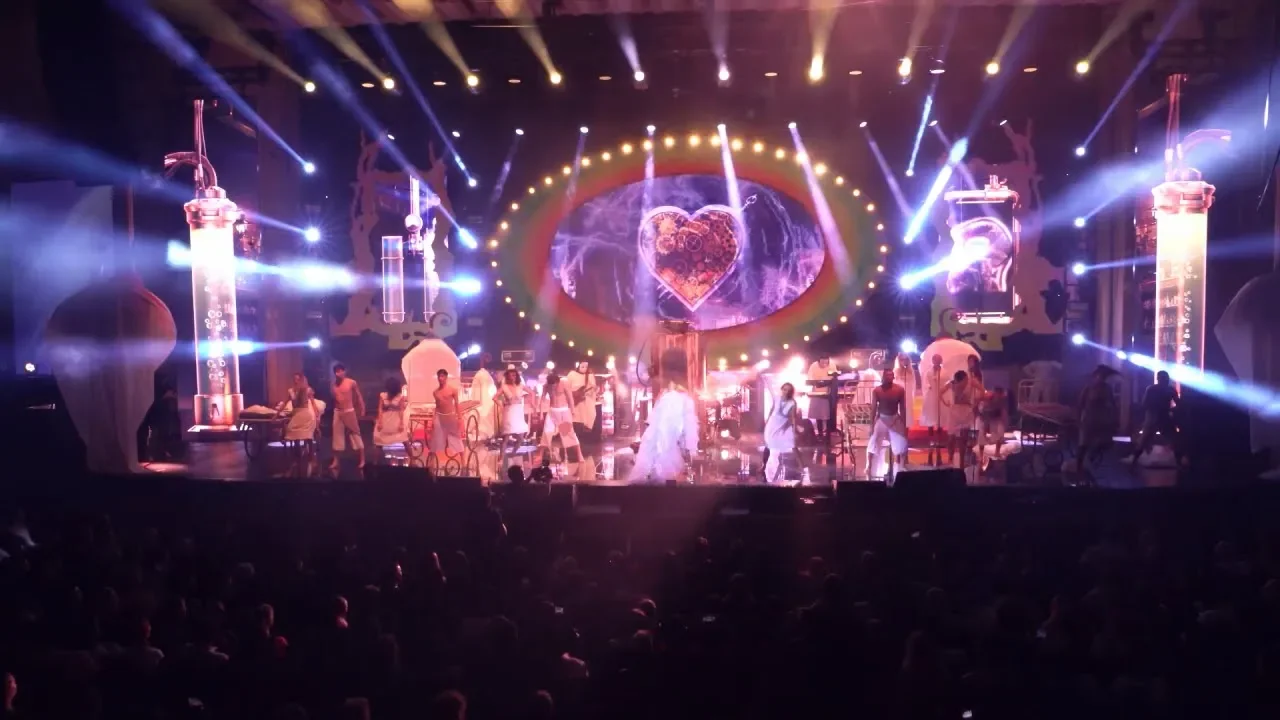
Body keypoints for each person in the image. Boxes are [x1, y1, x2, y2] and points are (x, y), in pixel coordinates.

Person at [629, 349, 701, 483]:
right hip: (665, 471)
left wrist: (660, 473)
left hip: (663, 473)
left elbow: (663, 441)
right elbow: (687, 438)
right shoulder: (679, 397)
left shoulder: (671, 398)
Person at [866, 368, 909, 480]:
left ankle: (902, 465)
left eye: (891, 375)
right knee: (873, 440)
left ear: (893, 377)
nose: (889, 377)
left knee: (902, 441)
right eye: (887, 375)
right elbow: (873, 409)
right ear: (883, 377)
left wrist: (904, 425)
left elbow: (903, 408)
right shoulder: (877, 390)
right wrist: (871, 426)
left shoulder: (900, 390)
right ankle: (869, 465)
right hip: (882, 418)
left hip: (894, 419)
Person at [1132, 370, 1182, 466]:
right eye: (1164, 379)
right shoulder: (1158, 389)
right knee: (1145, 439)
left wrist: (1170, 409)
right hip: (1156, 416)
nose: (1165, 380)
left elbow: (1144, 404)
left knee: (1145, 440)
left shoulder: (1155, 389)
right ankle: (1179, 464)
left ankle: (1134, 462)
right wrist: (1170, 409)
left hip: (1158, 416)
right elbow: (1145, 404)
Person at [1077, 365, 1119, 476]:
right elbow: (1080, 404)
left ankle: (1091, 457)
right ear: (1096, 376)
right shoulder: (1089, 388)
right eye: (1100, 376)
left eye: (1104, 376)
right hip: (1089, 420)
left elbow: (1113, 404)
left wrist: (1114, 418)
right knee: (1083, 445)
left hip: (1102, 420)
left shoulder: (1107, 389)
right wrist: (1078, 419)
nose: (1101, 378)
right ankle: (1078, 467)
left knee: (1105, 442)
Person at [281, 372, 322, 477]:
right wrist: (276, 415)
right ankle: (296, 460)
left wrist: (317, 416)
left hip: (306, 414)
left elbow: (313, 403)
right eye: (294, 379)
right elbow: (285, 403)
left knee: (309, 437)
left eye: (298, 379)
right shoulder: (291, 391)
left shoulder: (307, 390)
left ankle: (311, 460)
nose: (296, 381)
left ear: (301, 380)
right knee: (293, 435)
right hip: (296, 415)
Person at [330, 364, 366, 473]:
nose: (339, 373)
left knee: (355, 433)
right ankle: (336, 460)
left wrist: (362, 407)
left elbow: (358, 395)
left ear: (344, 371)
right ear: (335, 373)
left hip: (349, 411)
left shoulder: (351, 382)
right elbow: (335, 398)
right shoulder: (333, 384)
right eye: (337, 371)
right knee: (337, 436)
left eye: (341, 371)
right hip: (338, 412)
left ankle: (362, 459)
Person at [763, 382, 801, 483]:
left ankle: (801, 467)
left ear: (791, 392)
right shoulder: (776, 398)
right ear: (782, 389)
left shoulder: (792, 403)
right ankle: (764, 465)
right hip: (772, 425)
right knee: (767, 445)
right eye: (784, 389)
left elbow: (793, 418)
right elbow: (772, 410)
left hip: (783, 425)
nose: (786, 392)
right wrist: (767, 421)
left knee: (792, 445)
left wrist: (794, 430)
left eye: (788, 390)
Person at [540, 373, 581, 463]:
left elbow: (570, 397)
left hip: (563, 411)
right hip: (552, 411)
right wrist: (541, 413)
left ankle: (579, 455)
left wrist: (573, 410)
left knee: (569, 434)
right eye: (551, 385)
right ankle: (540, 455)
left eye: (554, 384)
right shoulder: (546, 386)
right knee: (546, 433)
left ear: (557, 381)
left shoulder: (564, 382)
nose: (553, 386)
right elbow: (542, 399)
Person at [497, 368, 533, 467]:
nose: (512, 377)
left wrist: (531, 403)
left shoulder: (520, 385)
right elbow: (495, 397)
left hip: (518, 412)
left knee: (521, 438)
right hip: (509, 411)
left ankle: (513, 453)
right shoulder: (504, 387)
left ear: (517, 376)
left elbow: (531, 393)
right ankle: (501, 458)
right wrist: (501, 405)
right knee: (506, 437)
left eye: (514, 375)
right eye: (510, 375)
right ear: (507, 377)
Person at [941, 370, 976, 467]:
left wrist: (975, 403)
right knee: (951, 438)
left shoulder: (971, 383)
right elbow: (940, 392)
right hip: (955, 411)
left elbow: (982, 390)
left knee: (963, 439)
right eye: (965, 379)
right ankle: (950, 457)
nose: (967, 380)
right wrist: (945, 403)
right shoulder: (952, 384)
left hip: (966, 411)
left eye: (967, 378)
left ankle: (961, 462)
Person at [373, 376, 409, 463]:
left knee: (405, 440)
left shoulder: (400, 397)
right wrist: (380, 421)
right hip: (385, 419)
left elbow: (401, 410)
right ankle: (375, 463)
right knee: (378, 442)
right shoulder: (383, 395)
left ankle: (413, 460)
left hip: (396, 419)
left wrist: (401, 423)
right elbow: (380, 409)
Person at [431, 369, 464, 454]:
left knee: (456, 437)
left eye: (442, 376)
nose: (440, 378)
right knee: (435, 438)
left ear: (446, 377)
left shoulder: (453, 390)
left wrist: (459, 418)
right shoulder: (435, 392)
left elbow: (457, 404)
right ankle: (432, 459)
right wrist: (433, 418)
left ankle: (462, 458)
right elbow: (437, 406)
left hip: (450, 416)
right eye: (439, 376)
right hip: (439, 416)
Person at [566, 360, 599, 443]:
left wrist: (594, 389)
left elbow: (593, 390)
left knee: (587, 417)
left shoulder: (589, 376)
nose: (584, 368)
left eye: (586, 367)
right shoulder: (571, 374)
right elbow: (567, 387)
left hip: (585, 402)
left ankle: (582, 439)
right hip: (574, 402)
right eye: (582, 366)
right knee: (574, 420)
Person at [805, 356, 836, 442]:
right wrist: (816, 382)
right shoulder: (813, 366)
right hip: (816, 393)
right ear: (818, 361)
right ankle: (820, 434)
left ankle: (828, 434)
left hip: (828, 394)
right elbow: (810, 377)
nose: (824, 364)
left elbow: (833, 376)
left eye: (826, 363)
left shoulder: (832, 365)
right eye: (822, 363)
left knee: (827, 415)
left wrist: (826, 382)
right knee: (818, 415)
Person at [978, 385, 1009, 464]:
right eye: (997, 395)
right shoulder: (987, 398)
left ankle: (997, 452)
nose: (998, 397)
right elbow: (982, 412)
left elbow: (1003, 413)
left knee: (1000, 431)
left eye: (1000, 396)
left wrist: (1004, 422)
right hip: (984, 416)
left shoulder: (1002, 400)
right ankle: (981, 455)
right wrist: (985, 426)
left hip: (995, 417)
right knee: (981, 434)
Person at [470, 354, 497, 441]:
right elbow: (484, 392)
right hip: (484, 405)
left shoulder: (482, 375)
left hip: (482, 404)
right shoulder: (484, 375)